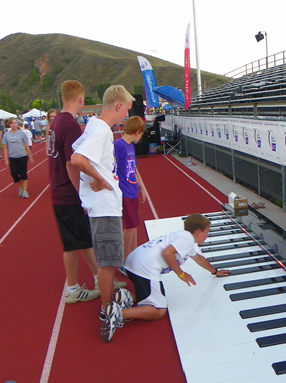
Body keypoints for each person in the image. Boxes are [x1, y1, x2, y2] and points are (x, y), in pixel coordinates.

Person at [101, 214, 232, 342]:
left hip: (133, 263)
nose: (207, 236)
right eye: (206, 232)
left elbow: (199, 259)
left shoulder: (183, 238)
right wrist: (181, 274)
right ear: (198, 231)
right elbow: (167, 253)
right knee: (159, 310)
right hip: (145, 268)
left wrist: (215, 271)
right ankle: (119, 313)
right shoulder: (187, 239)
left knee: (152, 293)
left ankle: (127, 297)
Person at [71, 85, 134, 318]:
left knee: (108, 260)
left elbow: (77, 154)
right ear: (118, 106)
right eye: (126, 109)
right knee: (108, 263)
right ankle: (107, 311)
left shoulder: (93, 125)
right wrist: (99, 180)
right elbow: (76, 158)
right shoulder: (102, 131)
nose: (126, 115)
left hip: (101, 205)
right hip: (105, 207)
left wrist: (88, 181)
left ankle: (108, 306)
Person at [48, 80, 100, 304]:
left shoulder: (56, 122)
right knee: (73, 242)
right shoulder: (69, 124)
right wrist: (82, 195)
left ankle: (100, 278)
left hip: (60, 190)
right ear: (80, 99)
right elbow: (72, 163)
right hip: (67, 193)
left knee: (84, 239)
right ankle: (72, 288)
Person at [113, 116, 147, 263]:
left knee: (134, 225)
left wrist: (142, 187)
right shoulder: (118, 145)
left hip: (132, 191)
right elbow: (111, 168)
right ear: (137, 132)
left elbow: (133, 170)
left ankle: (133, 255)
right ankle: (125, 259)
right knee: (130, 227)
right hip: (124, 192)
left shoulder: (131, 147)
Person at [2, 118, 33, 199]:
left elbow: (26, 145)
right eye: (12, 123)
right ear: (9, 124)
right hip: (12, 157)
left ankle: (25, 191)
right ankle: (21, 186)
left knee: (23, 173)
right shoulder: (6, 135)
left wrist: (30, 156)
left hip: (22, 156)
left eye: (15, 123)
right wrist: (6, 159)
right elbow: (5, 148)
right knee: (14, 173)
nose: (14, 124)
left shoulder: (22, 134)